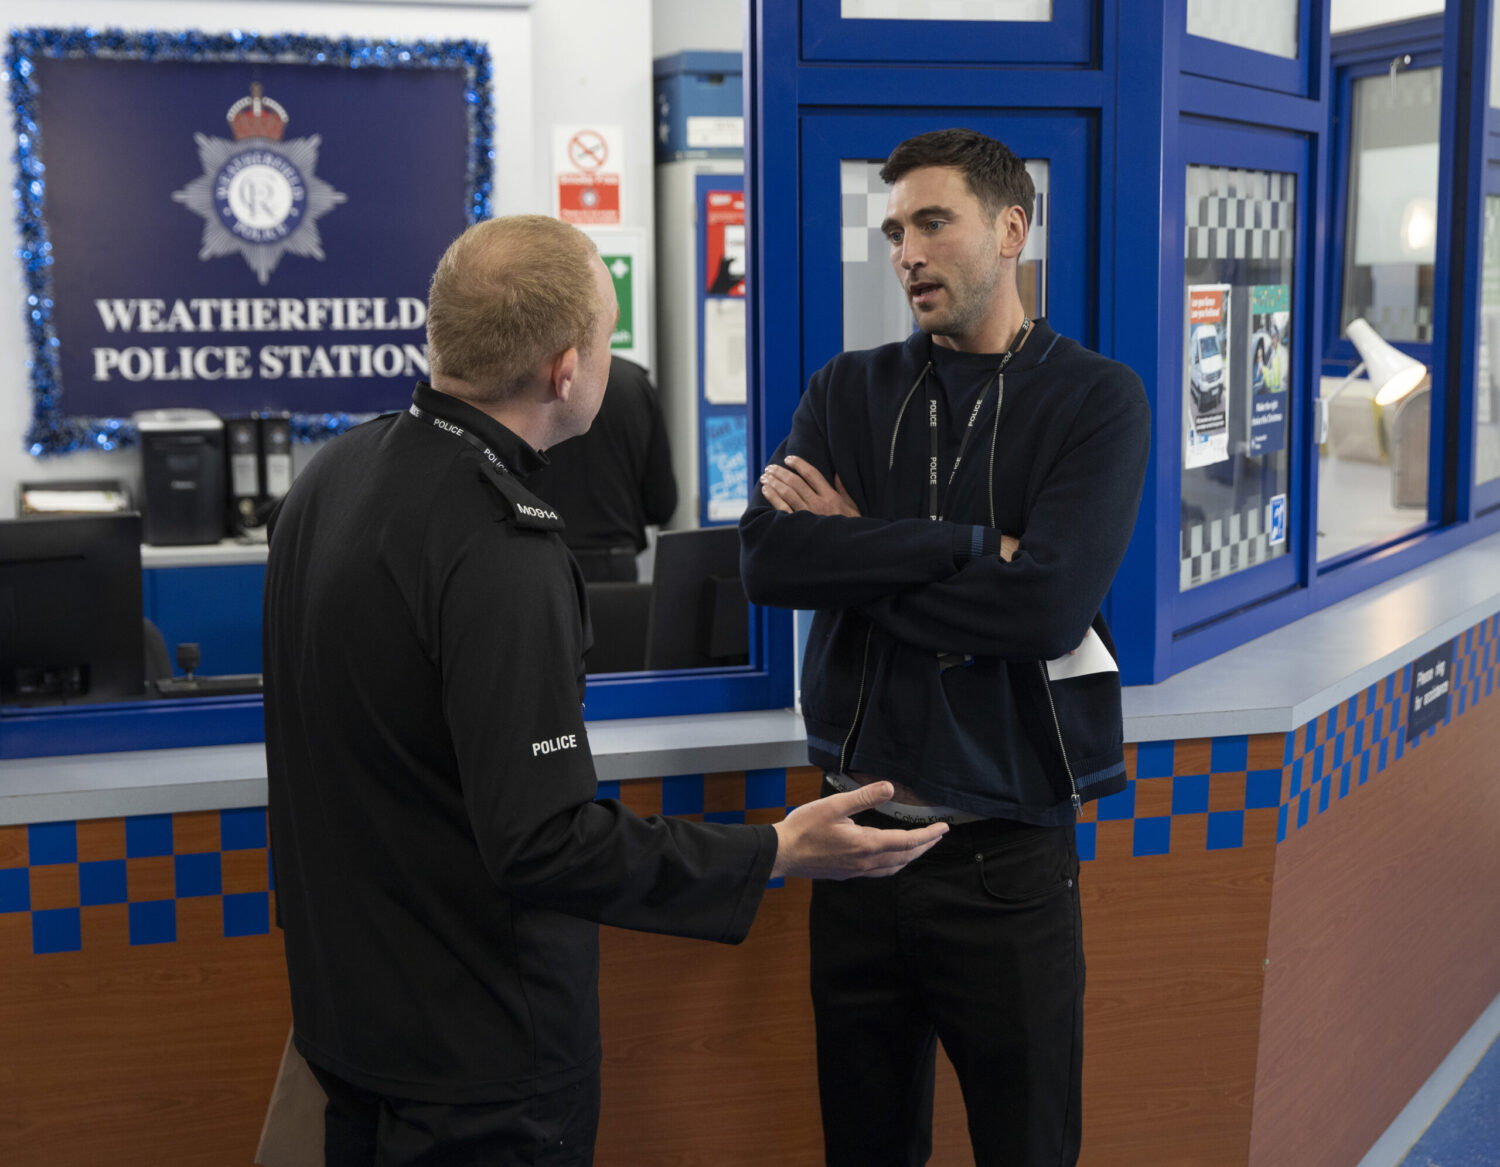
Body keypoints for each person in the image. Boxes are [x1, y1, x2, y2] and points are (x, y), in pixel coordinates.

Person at [262, 213, 948, 1167]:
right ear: (564, 367)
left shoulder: (335, 472)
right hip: (478, 1066)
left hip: (352, 1024)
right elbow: (544, 841)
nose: (610, 356)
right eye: (610, 335)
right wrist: (774, 851)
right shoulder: (498, 543)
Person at [739, 130, 1151, 1166]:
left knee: (1029, 1146)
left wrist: (858, 548)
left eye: (933, 222)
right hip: (856, 848)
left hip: (1005, 860)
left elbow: (1046, 612)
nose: (907, 254)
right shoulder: (849, 389)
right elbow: (772, 563)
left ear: (1012, 230)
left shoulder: (1096, 399)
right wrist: (973, 548)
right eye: (894, 231)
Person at [526, 355, 677, 582]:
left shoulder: (528, 379)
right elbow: (661, 504)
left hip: (541, 561)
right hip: (615, 566)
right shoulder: (634, 382)